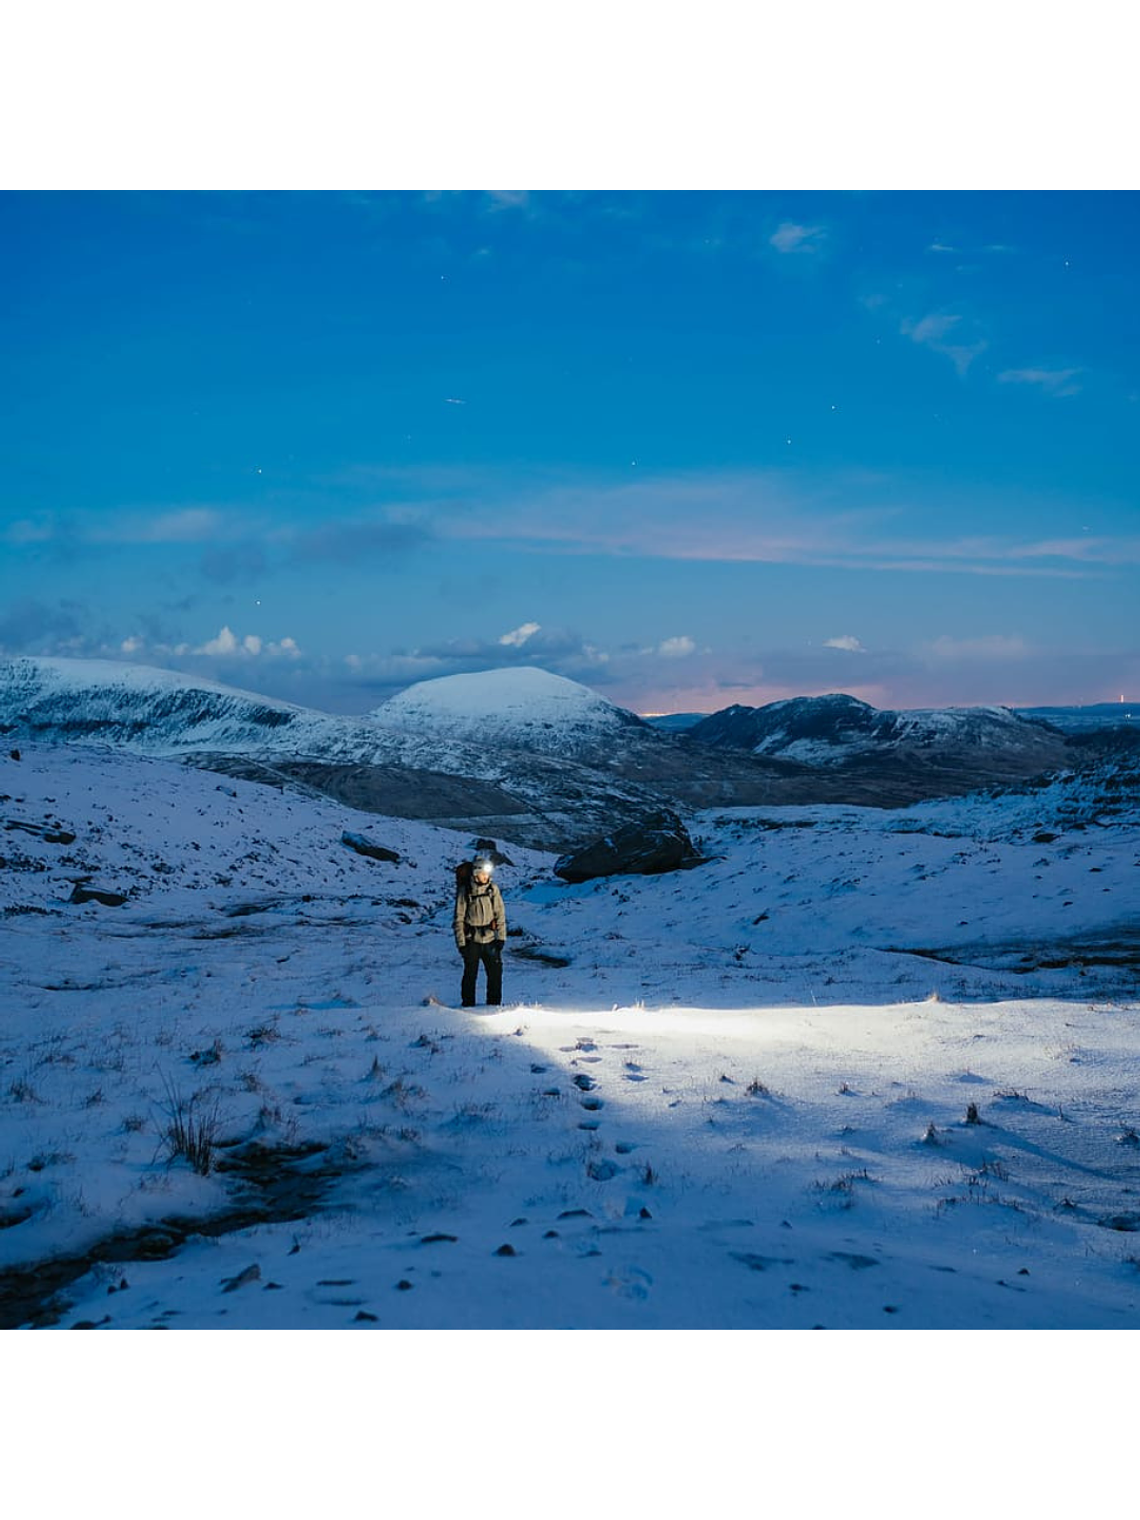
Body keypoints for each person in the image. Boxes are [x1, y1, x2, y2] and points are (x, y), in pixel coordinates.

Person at [454, 855, 507, 1006]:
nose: (486, 877)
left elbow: (500, 914)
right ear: (476, 874)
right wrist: (461, 943)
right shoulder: (466, 892)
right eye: (484, 874)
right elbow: (459, 918)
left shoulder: (492, 890)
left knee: (495, 974)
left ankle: (494, 1006)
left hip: (490, 940)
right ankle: (468, 1006)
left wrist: (501, 938)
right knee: (470, 975)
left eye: (488, 874)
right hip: (472, 940)